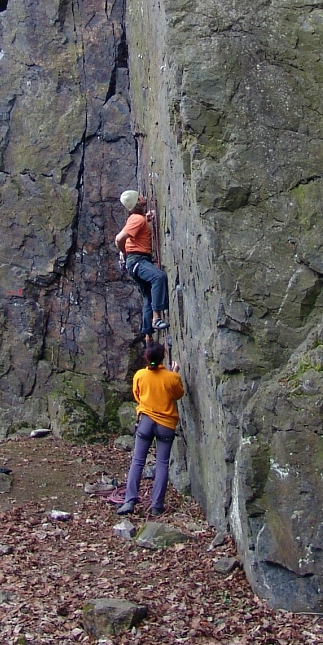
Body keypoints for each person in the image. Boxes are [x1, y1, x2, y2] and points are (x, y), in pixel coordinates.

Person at [117, 343, 184, 517]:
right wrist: (174, 374)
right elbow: (178, 394)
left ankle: (129, 501)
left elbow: (137, 395)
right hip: (166, 425)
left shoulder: (140, 375)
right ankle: (156, 506)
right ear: (163, 357)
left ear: (146, 358)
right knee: (162, 463)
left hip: (146, 422)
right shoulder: (171, 378)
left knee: (138, 461)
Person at [115, 189, 169, 344]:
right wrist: (124, 252)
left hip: (136, 261)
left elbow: (136, 229)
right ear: (137, 202)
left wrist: (146, 219)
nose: (143, 196)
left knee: (149, 296)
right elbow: (119, 238)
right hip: (137, 260)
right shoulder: (137, 219)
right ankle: (157, 318)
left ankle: (147, 334)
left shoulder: (138, 219)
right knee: (159, 277)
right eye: (139, 196)